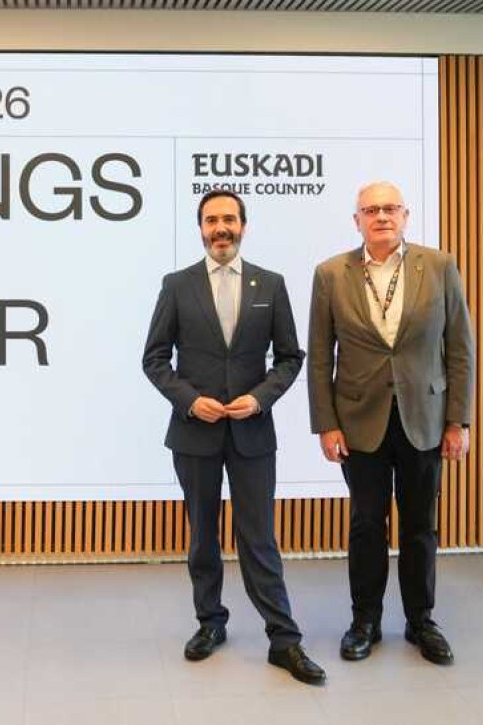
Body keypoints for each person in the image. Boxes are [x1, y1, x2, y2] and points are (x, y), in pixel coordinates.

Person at [143, 190, 325, 685]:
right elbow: (154, 358)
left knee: (259, 538)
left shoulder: (271, 284)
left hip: (252, 433)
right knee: (203, 536)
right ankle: (210, 623)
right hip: (194, 433)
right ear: (200, 228)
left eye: (228, 218)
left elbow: (289, 357)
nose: (220, 227)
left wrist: (260, 398)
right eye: (211, 220)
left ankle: (284, 640)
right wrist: (189, 400)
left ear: (243, 225)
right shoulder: (176, 285)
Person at [307, 181, 474, 666]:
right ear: (356, 220)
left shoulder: (439, 266)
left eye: (390, 208)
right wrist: (326, 424)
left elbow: (460, 349)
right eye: (371, 210)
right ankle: (365, 621)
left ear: (405, 216)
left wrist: (458, 420)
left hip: (425, 417)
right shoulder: (330, 274)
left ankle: (421, 621)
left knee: (421, 524)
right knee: (366, 524)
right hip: (359, 422)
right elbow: (320, 356)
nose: (381, 216)